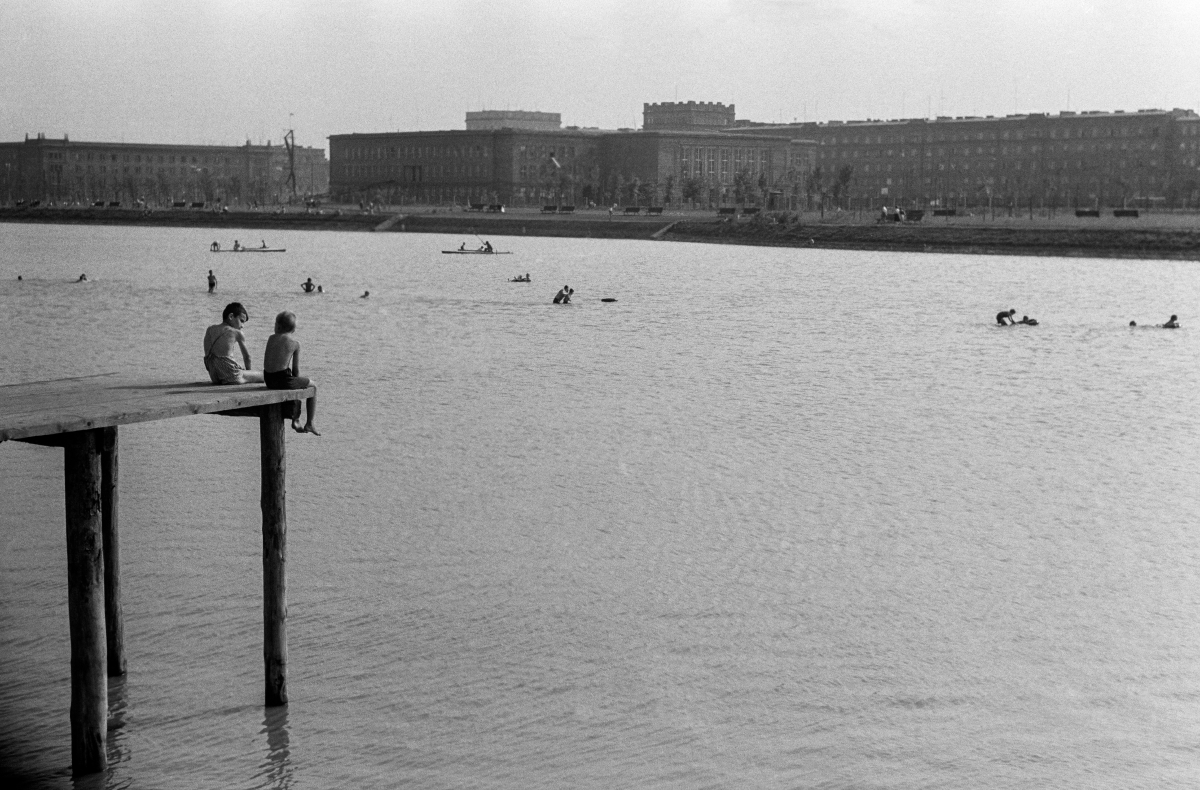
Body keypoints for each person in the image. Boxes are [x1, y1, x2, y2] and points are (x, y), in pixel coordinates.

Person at [263, 311, 319, 435]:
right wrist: (298, 385)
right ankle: (309, 423)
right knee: (313, 386)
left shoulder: (271, 338)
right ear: (293, 329)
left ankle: (296, 419)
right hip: (282, 380)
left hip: (268, 379)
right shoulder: (295, 344)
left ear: (277, 326)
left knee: (292, 382)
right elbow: (296, 371)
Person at [203, 302, 264, 385]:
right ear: (231, 316)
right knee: (264, 375)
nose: (242, 326)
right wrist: (250, 372)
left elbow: (207, 355)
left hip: (214, 376)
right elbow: (247, 357)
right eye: (241, 321)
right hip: (231, 375)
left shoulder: (210, 330)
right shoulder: (236, 332)